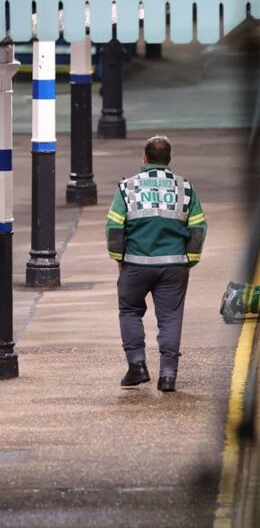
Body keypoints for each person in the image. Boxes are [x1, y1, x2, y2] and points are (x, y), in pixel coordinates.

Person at [106, 136, 207, 392]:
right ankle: (168, 376)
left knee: (130, 312)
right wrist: (188, 261)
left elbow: (115, 227)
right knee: (171, 318)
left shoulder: (127, 188)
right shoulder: (186, 188)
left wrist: (119, 259)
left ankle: (137, 366)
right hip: (174, 265)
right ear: (169, 160)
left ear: (145, 158)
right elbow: (198, 228)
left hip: (135, 264)